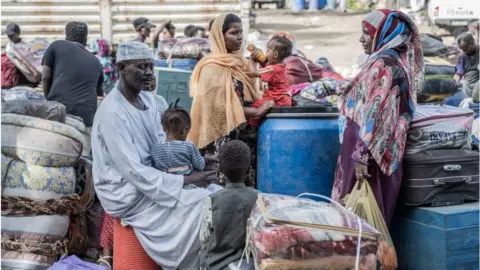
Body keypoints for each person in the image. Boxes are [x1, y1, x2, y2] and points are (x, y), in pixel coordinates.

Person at [92, 41, 217, 270]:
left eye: (150, 66)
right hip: (125, 192)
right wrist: (185, 180)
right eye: (141, 67)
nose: (149, 72)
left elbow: (161, 145)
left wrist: (190, 163)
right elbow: (132, 171)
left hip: (154, 179)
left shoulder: (148, 100)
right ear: (121, 68)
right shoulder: (112, 113)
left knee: (217, 193)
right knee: (204, 204)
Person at [331, 9, 424, 227]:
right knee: (365, 218)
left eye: (367, 33)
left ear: (384, 34)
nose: (361, 38)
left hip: (368, 156)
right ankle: (366, 260)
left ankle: (361, 260)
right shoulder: (394, 62)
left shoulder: (384, 65)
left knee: (360, 219)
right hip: (376, 153)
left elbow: (375, 113)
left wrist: (361, 155)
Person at [188, 13, 274, 187]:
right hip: (222, 141)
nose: (240, 37)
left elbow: (250, 92)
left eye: (241, 32)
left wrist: (254, 65)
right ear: (220, 36)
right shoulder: (211, 67)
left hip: (246, 140)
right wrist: (257, 111)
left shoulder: (240, 62)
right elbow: (221, 108)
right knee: (226, 191)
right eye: (234, 33)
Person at [42, 21, 103, 155]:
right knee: (82, 158)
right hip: (87, 119)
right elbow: (99, 94)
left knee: (55, 155)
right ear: (86, 38)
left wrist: (49, 100)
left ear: (66, 35)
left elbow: (45, 77)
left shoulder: (56, 46)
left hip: (60, 112)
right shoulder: (96, 61)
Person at [199, 140, 258, 270]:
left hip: (217, 265)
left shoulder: (212, 199)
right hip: (251, 264)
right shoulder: (259, 198)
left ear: (220, 169)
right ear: (249, 169)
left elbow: (204, 239)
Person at [151, 99, 205, 181]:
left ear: (163, 128)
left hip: (166, 186)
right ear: (184, 130)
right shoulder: (189, 146)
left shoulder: (155, 148)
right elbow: (200, 165)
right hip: (188, 186)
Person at [248, 36, 293, 126]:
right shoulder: (280, 66)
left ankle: (252, 129)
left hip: (277, 99)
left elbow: (252, 73)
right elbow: (266, 66)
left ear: (275, 54)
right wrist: (261, 60)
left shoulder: (272, 69)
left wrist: (251, 61)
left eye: (267, 51)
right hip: (284, 98)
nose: (265, 53)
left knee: (256, 106)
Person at [453, 33, 479, 97]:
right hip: (470, 91)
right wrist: (454, 83)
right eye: (462, 49)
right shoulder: (462, 57)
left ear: (472, 43)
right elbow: (458, 74)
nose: (464, 51)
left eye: (465, 48)